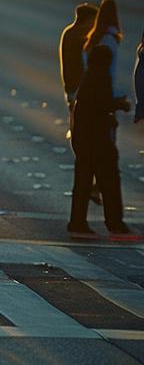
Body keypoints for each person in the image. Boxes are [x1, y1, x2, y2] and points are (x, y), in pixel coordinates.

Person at [69, 43, 134, 238]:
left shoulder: (90, 75)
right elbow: (103, 104)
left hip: (84, 138)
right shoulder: (101, 76)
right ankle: (115, 222)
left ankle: (77, 222)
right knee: (110, 180)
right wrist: (121, 105)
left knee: (83, 182)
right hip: (96, 139)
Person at [61, 3, 100, 109]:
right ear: (86, 20)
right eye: (93, 20)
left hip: (72, 88)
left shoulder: (68, 32)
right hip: (79, 88)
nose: (94, 24)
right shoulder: (80, 36)